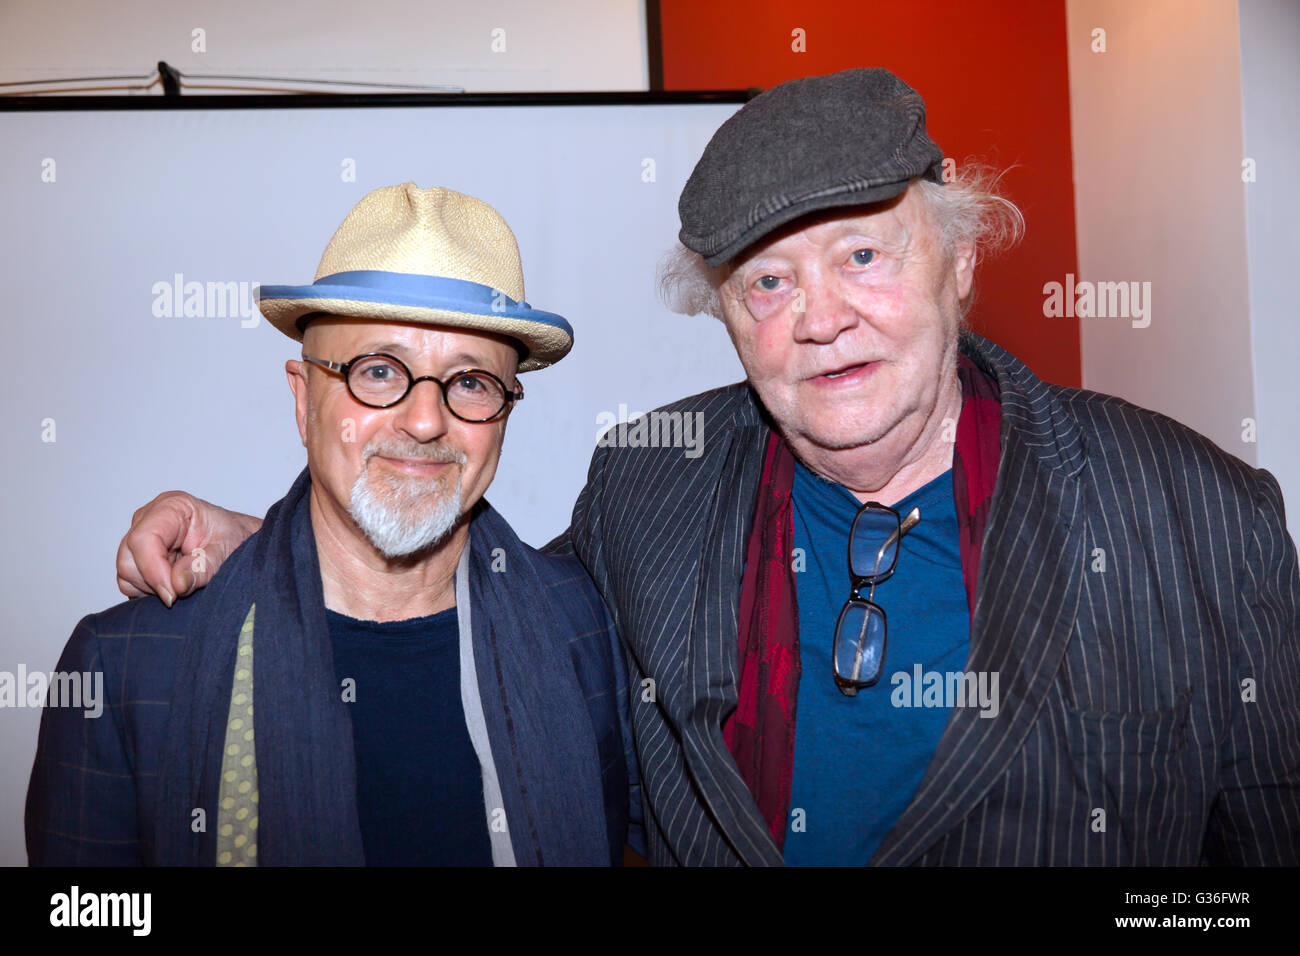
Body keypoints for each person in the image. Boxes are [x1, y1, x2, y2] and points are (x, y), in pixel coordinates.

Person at [113, 70, 1300, 866]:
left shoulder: (1200, 517)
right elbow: (493, 585)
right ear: (726, 319)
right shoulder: (648, 485)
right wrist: (274, 532)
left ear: (959, 260)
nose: (819, 317)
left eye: (861, 254)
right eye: (767, 283)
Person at [28, 182, 641, 866]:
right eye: (379, 371)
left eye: (470, 381)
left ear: (504, 413)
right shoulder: (128, 666)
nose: (425, 420)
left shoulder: (586, 628)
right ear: (302, 397)